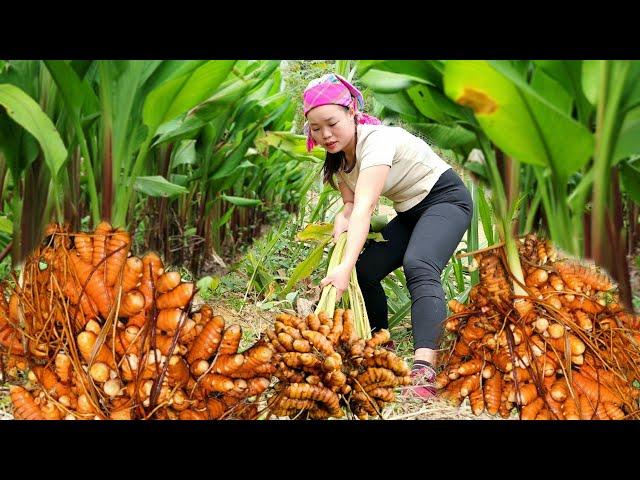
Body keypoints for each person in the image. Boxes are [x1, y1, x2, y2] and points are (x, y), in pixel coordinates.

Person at [303, 73, 473, 399]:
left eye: (332, 123)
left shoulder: (376, 142)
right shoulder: (339, 161)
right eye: (315, 128)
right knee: (365, 271)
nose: (325, 134)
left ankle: (425, 369)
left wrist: (340, 267)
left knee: (419, 264)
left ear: (352, 111)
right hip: (411, 213)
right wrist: (341, 218)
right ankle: (382, 345)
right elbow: (352, 204)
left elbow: (366, 209)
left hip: (445, 201)